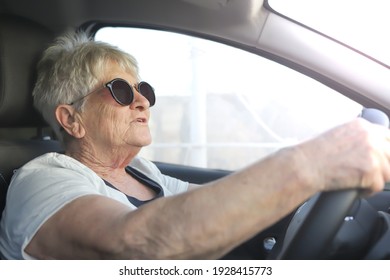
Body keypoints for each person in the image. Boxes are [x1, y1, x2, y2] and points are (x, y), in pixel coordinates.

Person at [0, 31, 390, 260]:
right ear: (71, 119)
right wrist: (312, 163)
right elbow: (136, 243)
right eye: (120, 90)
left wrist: (303, 199)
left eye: (144, 90)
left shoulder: (138, 171)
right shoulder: (43, 180)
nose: (142, 101)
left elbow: (217, 204)